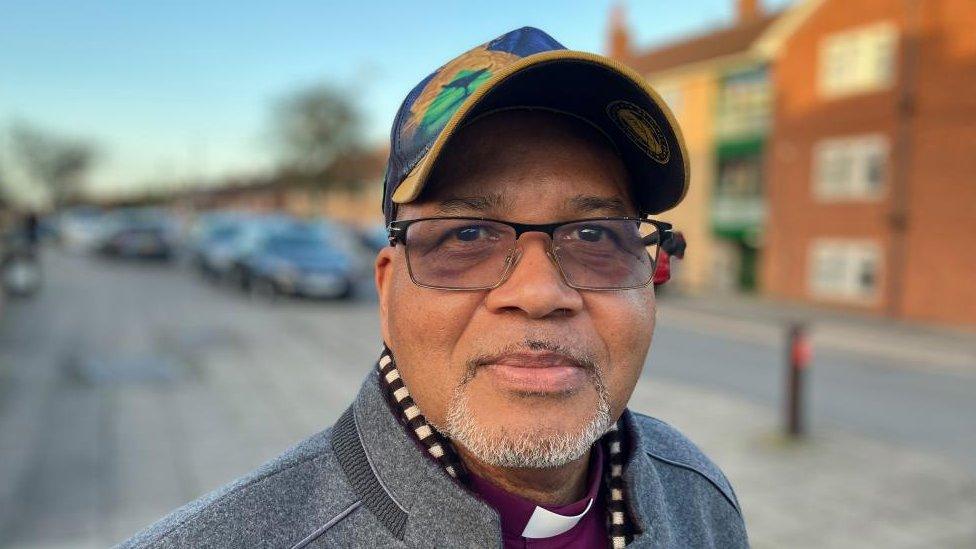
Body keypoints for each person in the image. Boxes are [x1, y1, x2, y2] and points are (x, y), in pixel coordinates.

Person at [120, 27, 748, 548]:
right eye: (467, 236)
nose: (538, 292)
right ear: (388, 294)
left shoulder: (700, 499)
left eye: (593, 236)